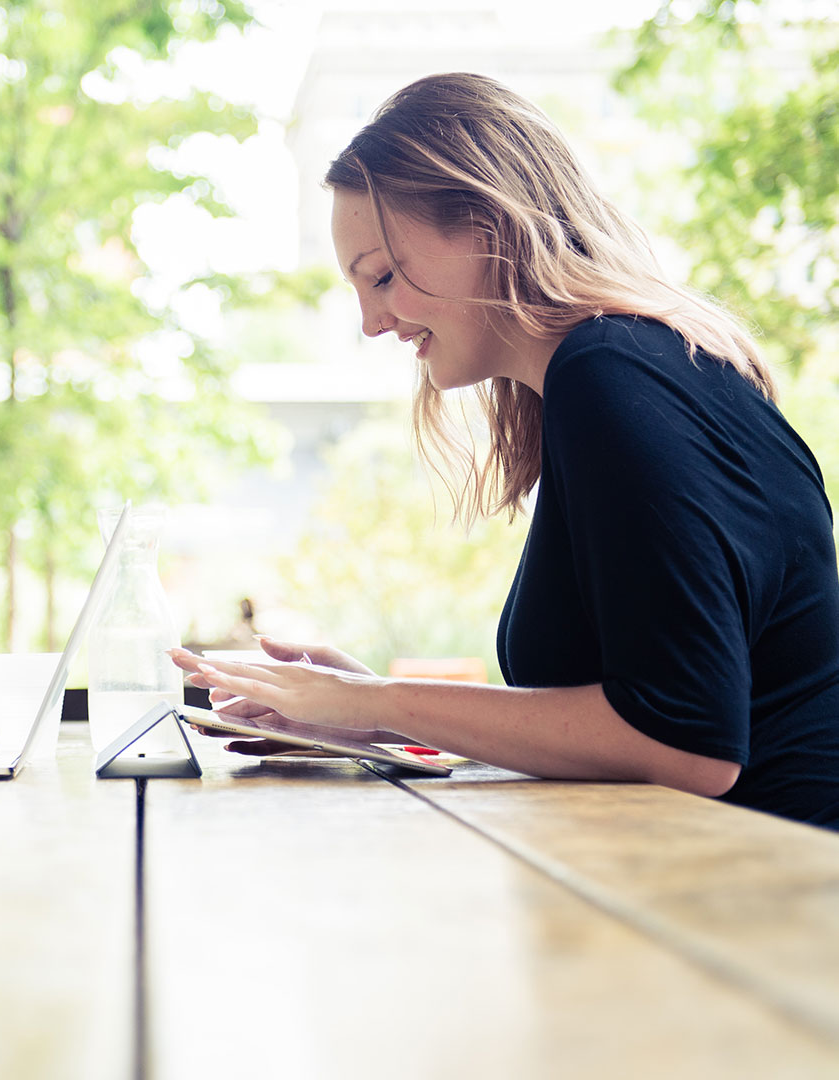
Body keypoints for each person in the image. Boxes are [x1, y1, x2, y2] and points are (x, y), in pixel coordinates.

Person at [171, 72, 839, 829]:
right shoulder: (625, 372)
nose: (369, 322)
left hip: (773, 891)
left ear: (488, 225)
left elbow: (685, 744)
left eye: (382, 277)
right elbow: (631, 721)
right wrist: (373, 719)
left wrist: (380, 701)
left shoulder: (610, 373)